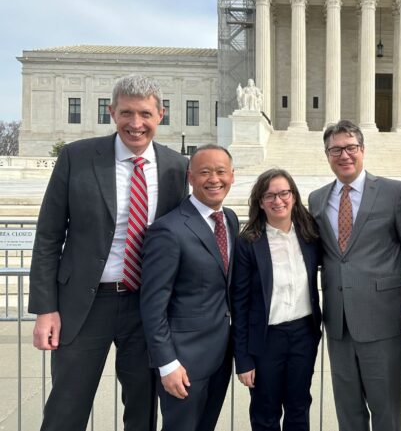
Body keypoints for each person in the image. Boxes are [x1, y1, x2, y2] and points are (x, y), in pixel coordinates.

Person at [28, 75, 189, 431]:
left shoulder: (177, 167)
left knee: (142, 409)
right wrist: (45, 309)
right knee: (66, 408)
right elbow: (49, 236)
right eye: (126, 113)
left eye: (145, 114)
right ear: (112, 112)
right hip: (84, 306)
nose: (136, 124)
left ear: (160, 114)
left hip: (145, 307)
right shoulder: (77, 157)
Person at [308, 120, 401, 431]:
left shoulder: (391, 191)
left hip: (385, 319)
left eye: (350, 148)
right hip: (338, 323)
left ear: (362, 150)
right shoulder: (317, 199)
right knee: (348, 412)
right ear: (327, 154)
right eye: (336, 149)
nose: (344, 155)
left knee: (386, 410)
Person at [140, 145, 238, 431]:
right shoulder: (168, 230)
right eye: (204, 172)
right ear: (190, 177)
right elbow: (153, 305)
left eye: (221, 171)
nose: (214, 179)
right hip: (183, 362)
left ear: (233, 175)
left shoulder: (229, 219)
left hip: (220, 355)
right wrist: (167, 363)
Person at [233, 168, 322, 431]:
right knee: (265, 413)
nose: (278, 201)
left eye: (284, 193)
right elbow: (239, 304)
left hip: (303, 335)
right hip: (265, 340)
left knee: (298, 408)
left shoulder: (309, 237)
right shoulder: (248, 242)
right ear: (260, 202)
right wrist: (243, 359)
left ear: (294, 196)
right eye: (269, 195)